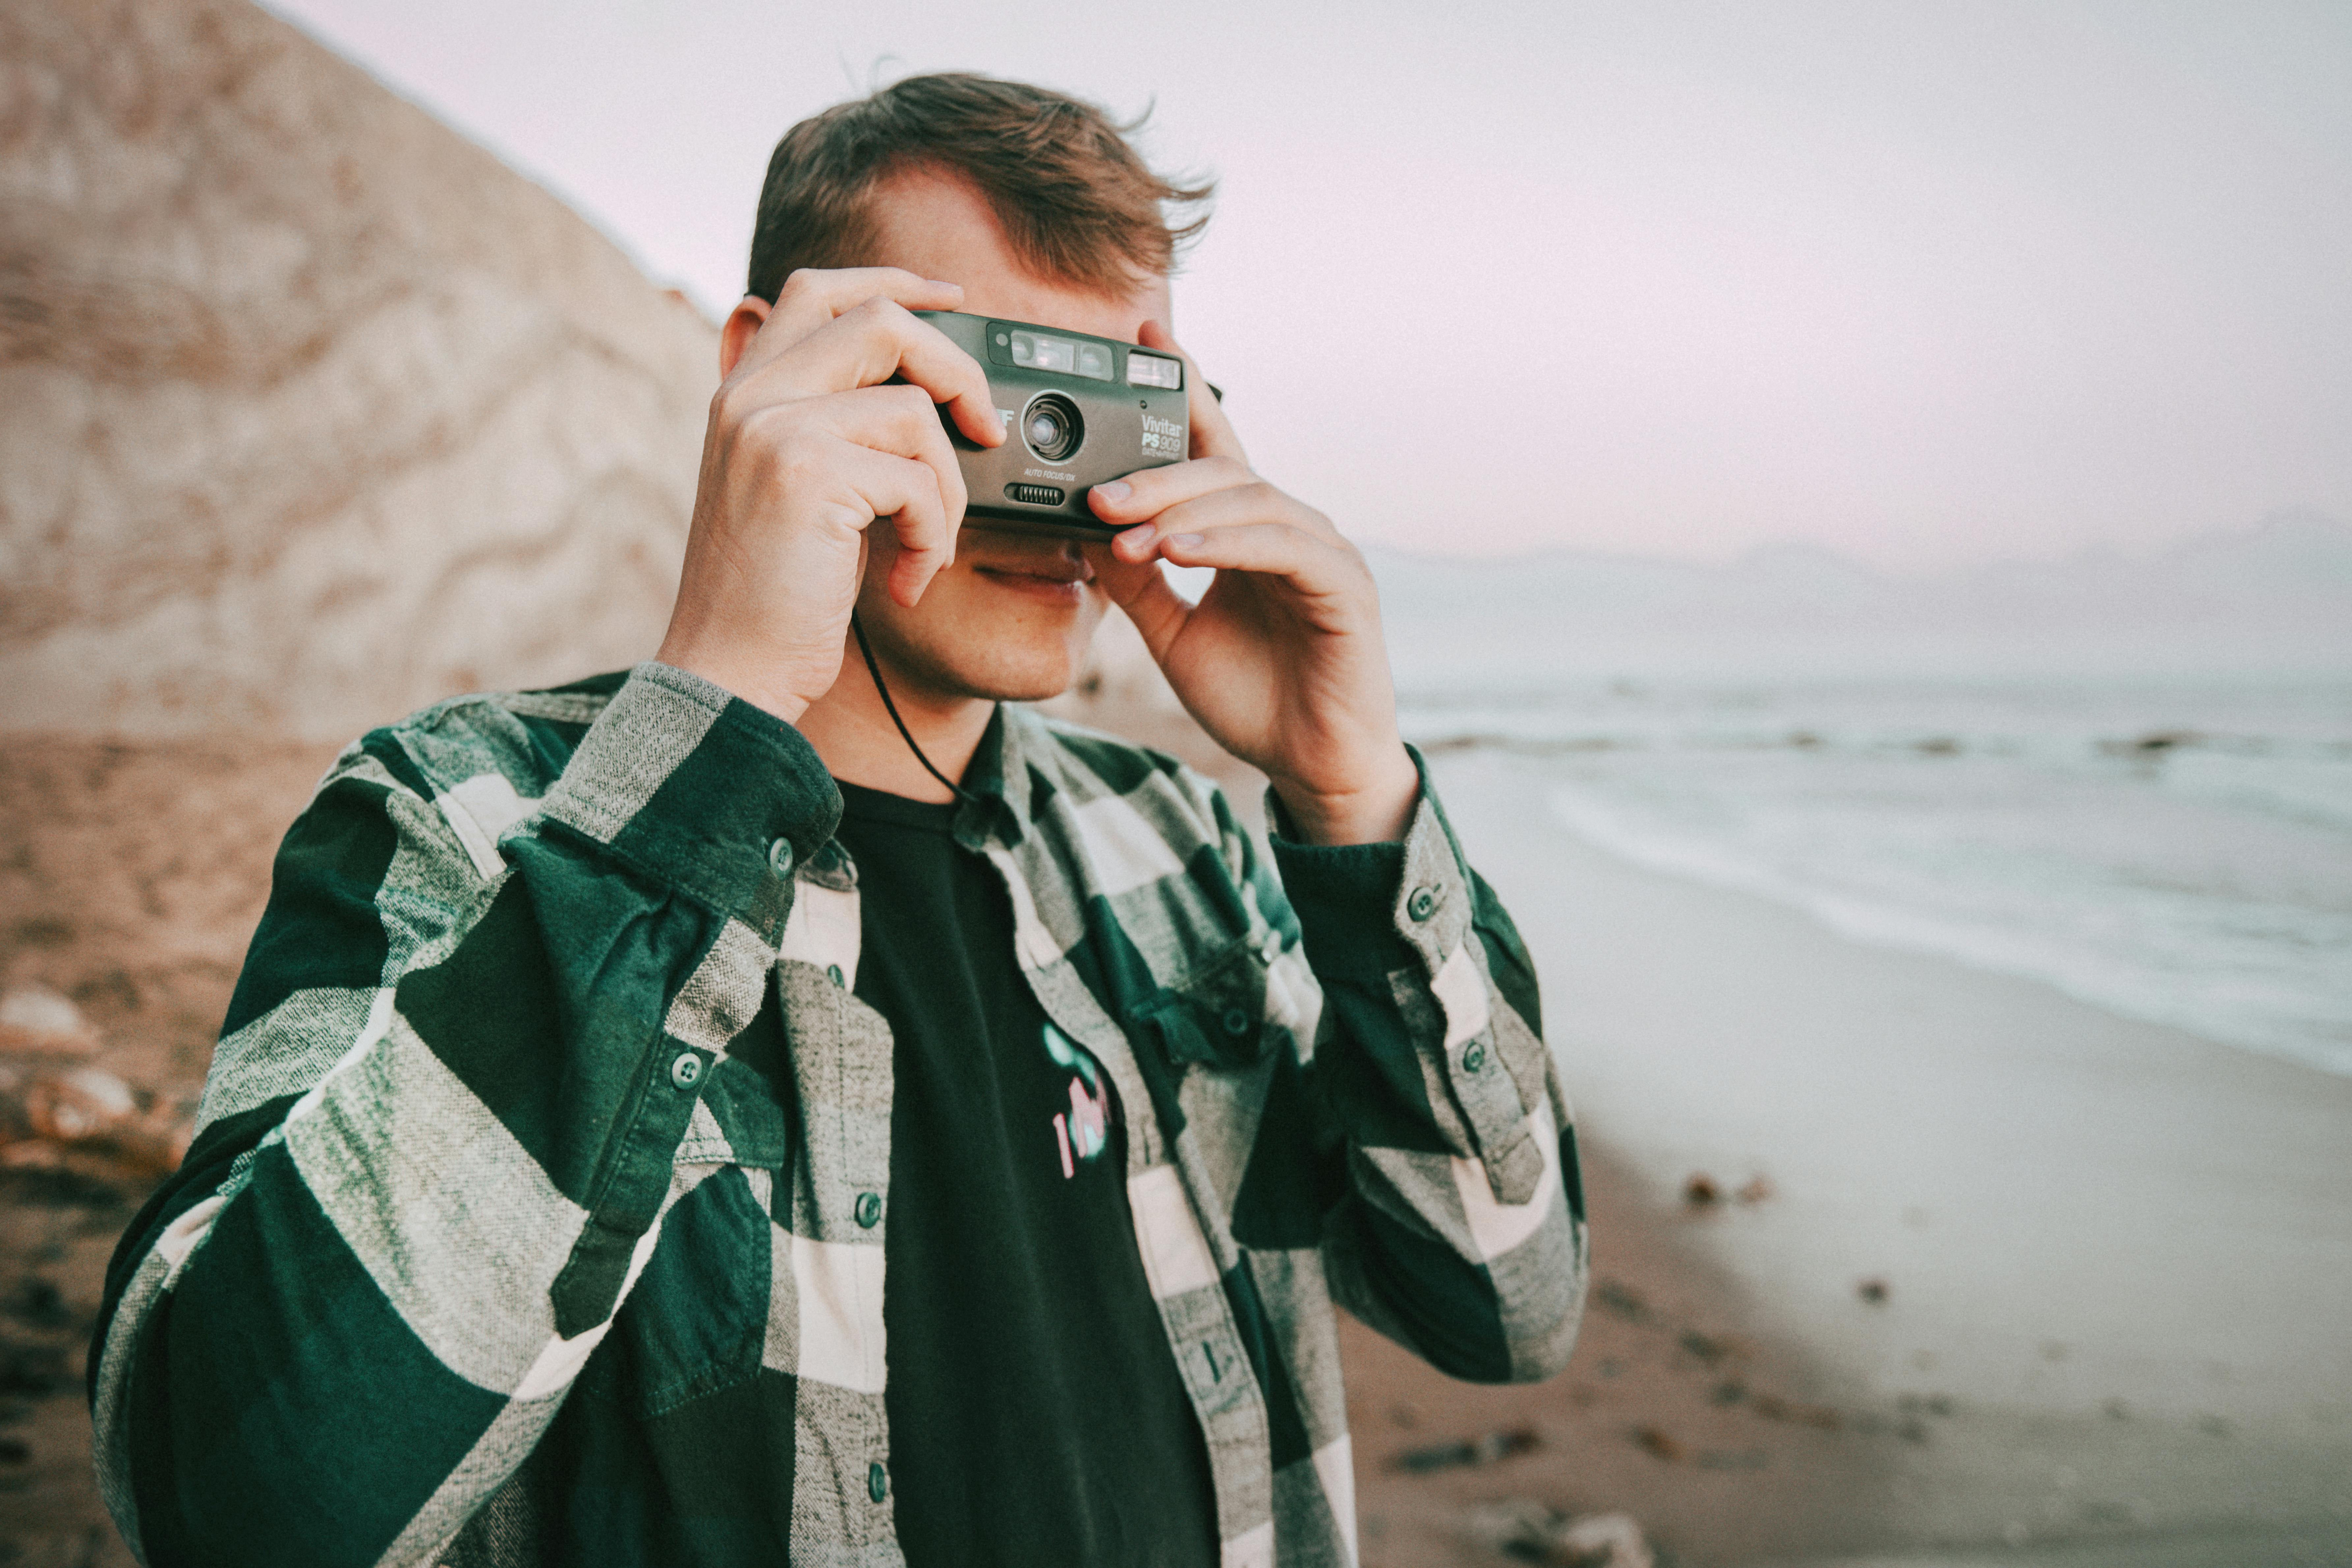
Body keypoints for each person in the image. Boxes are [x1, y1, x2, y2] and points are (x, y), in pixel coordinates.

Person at [90, 72, 1585, 1568]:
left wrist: (1350, 793)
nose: (1055, 473)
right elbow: (233, 1509)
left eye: (1122, 404)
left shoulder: (1178, 843)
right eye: (984, 383)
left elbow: (1509, 1301)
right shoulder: (458, 823)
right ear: (769, 371)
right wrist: (719, 701)